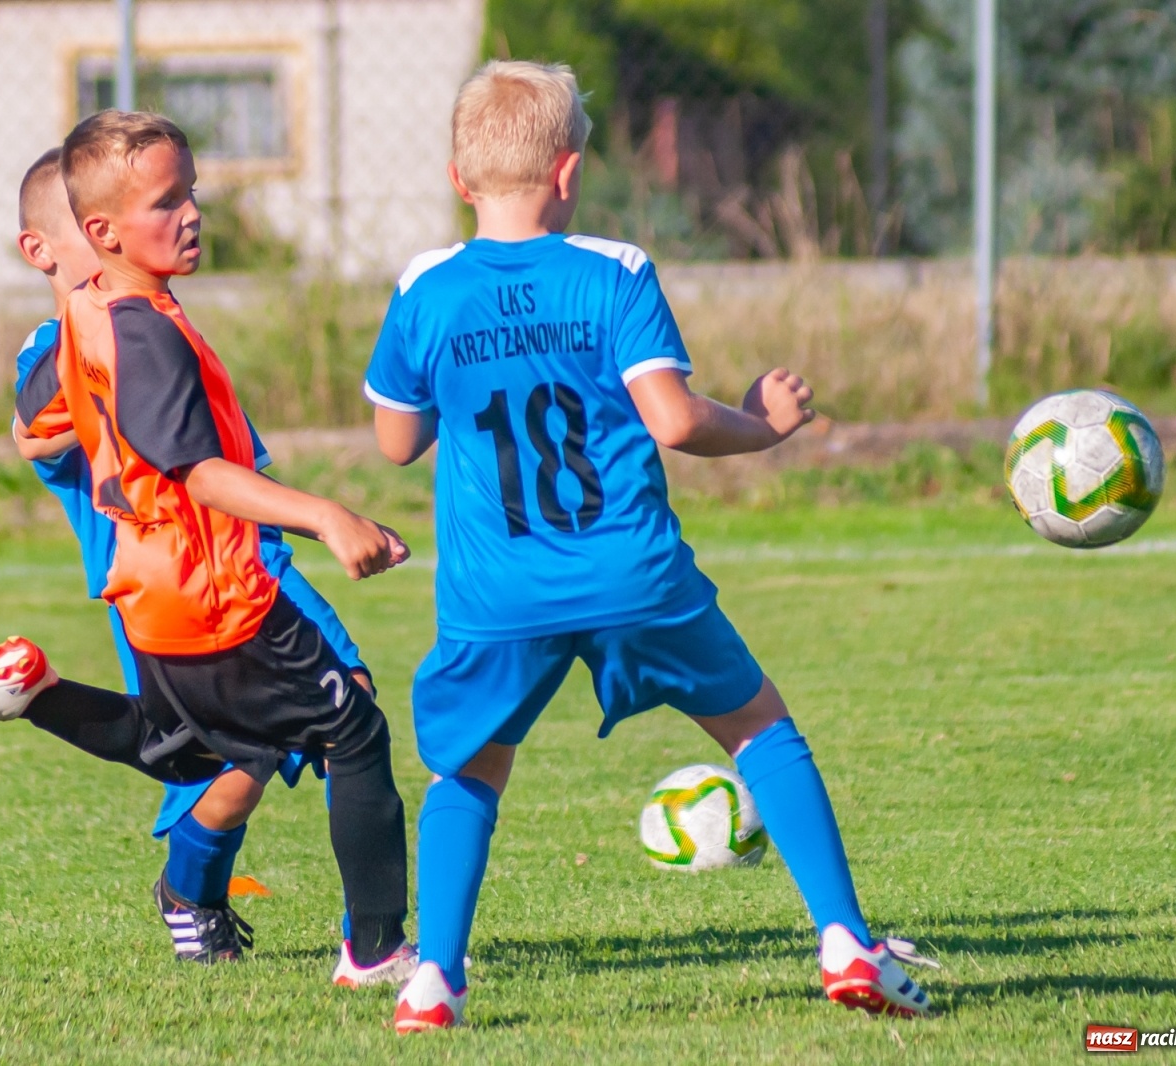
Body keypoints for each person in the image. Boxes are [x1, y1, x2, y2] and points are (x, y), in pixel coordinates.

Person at [364, 60, 938, 1033]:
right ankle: (844, 939)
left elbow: (394, 441)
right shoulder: (614, 270)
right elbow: (671, 420)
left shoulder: (425, 287)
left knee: (468, 771)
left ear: (460, 181)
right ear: (569, 171)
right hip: (630, 571)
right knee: (760, 732)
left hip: (497, 592)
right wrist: (762, 424)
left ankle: (433, 979)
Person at [0, 111, 414, 986]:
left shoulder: (97, 322)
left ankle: (39, 698)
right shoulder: (123, 328)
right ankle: (367, 945)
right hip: (217, 577)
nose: (193, 214)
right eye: (167, 201)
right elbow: (178, 464)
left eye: (190, 195)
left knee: (197, 747)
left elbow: (53, 433)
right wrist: (325, 515)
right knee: (348, 722)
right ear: (72, 241)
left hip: (157, 588)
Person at [6, 148, 384, 981]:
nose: (181, 215)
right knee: (278, 741)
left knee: (238, 753)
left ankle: (213, 900)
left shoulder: (146, 314)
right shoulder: (84, 328)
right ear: (54, 247)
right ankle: (360, 939)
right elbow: (34, 427)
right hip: (184, 578)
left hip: (232, 559)